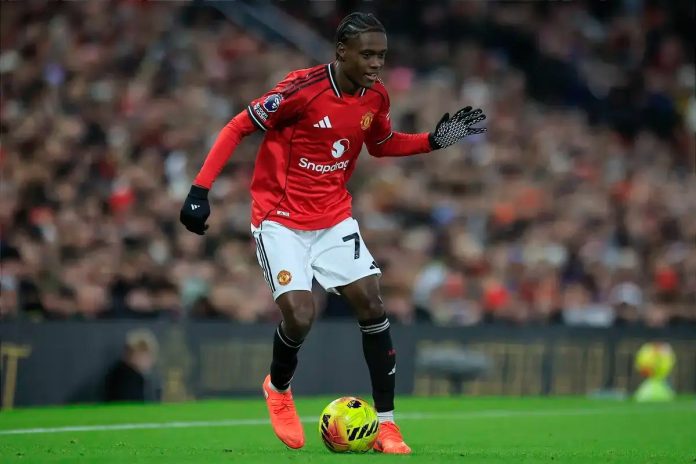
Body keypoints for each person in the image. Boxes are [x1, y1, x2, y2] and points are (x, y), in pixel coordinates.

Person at [179, 12, 486, 454]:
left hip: (333, 219)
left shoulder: (375, 96)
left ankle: (387, 426)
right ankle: (278, 387)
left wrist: (432, 140)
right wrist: (199, 190)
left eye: (381, 55)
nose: (376, 63)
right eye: (367, 54)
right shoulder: (300, 91)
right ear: (342, 51)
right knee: (300, 315)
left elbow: (380, 144)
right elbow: (238, 126)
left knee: (372, 303)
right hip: (280, 220)